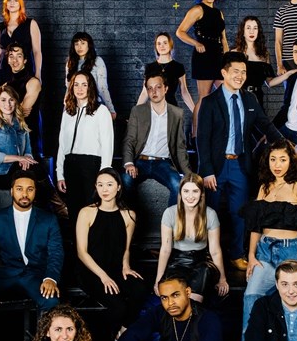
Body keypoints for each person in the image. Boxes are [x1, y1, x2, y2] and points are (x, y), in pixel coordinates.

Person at [196, 54, 284, 268]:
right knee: (211, 213)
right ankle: (209, 256)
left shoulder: (249, 100)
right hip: (215, 167)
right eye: (236, 71)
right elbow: (202, 139)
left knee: (240, 213)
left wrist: (285, 146)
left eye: (243, 72)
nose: (240, 76)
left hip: (240, 165)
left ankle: (236, 254)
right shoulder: (209, 102)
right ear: (224, 73)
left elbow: (266, 126)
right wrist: (206, 171)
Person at [240, 139, 297, 337]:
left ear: (290, 161)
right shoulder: (264, 187)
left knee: (290, 305)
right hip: (264, 251)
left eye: (282, 159)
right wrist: (251, 255)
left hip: (290, 250)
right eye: (273, 159)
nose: (277, 165)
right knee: (251, 299)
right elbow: (255, 225)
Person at [74, 169, 150, 341]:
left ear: (118, 187)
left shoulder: (129, 215)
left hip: (116, 268)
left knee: (140, 289)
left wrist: (126, 266)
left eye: (109, 184)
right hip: (91, 271)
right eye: (100, 185)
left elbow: (126, 248)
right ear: (96, 187)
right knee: (118, 307)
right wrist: (103, 276)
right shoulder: (87, 212)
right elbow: (81, 252)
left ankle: (122, 332)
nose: (105, 189)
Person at [0, 172, 64, 310]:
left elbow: (56, 253)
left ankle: (40, 332)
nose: (25, 194)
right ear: (11, 191)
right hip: (5, 274)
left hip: (35, 276)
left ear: (35, 191)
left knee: (51, 301)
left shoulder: (49, 219)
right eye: (19, 189)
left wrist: (50, 278)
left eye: (30, 189)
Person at [122, 73, 194, 206]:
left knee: (177, 185)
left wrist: (188, 173)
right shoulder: (138, 111)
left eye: (158, 87)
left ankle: (169, 223)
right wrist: (129, 163)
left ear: (166, 88)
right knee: (125, 181)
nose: (153, 91)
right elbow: (129, 140)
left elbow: (180, 146)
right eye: (149, 88)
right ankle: (130, 221)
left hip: (163, 163)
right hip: (140, 162)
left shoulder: (177, 113)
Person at [156, 174, 230, 303]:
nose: (190, 196)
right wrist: (158, 278)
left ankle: (193, 315)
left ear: (201, 193)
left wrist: (222, 278)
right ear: (180, 193)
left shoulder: (210, 214)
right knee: (174, 295)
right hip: (177, 261)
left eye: (195, 191)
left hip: (201, 261)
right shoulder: (169, 213)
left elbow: (215, 251)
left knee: (203, 272)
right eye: (186, 191)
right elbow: (165, 249)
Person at [56, 71, 114, 218]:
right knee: (74, 210)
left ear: (90, 87)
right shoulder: (67, 112)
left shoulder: (101, 111)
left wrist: (104, 174)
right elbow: (62, 145)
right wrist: (60, 174)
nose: (80, 88)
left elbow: (108, 143)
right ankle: (77, 241)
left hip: (92, 165)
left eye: (84, 84)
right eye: (76, 85)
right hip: (71, 165)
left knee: (92, 209)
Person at [0, 84, 39, 212]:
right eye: (3, 100)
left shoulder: (21, 122)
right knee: (35, 174)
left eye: (11, 99)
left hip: (16, 168)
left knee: (35, 168)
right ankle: (55, 202)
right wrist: (19, 158)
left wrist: (26, 159)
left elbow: (28, 150)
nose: (8, 104)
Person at [176, 0, 229, 107]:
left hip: (218, 56)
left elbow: (223, 38)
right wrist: (196, 43)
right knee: (204, 97)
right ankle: (197, 128)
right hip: (204, 57)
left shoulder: (218, 13)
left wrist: (227, 57)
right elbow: (180, 32)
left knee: (226, 93)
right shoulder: (197, 10)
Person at [0, 0, 43, 86]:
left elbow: (37, 51)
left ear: (20, 4)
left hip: (25, 71)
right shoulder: (0, 27)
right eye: (9, 0)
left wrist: (38, 74)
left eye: (15, 0)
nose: (12, 3)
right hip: (3, 71)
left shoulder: (31, 24)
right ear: (6, 4)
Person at [136, 32, 196, 114]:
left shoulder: (178, 67)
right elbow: (144, 93)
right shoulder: (150, 67)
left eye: (165, 43)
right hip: (154, 111)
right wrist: (135, 113)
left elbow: (184, 92)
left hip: (172, 110)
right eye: (159, 44)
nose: (162, 46)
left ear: (170, 45)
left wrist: (195, 111)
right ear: (156, 47)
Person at [3, 43, 44, 157]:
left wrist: (8, 111)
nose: (14, 60)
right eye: (11, 56)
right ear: (7, 60)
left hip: (29, 139)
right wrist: (15, 110)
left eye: (19, 56)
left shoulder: (33, 82)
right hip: (9, 140)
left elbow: (21, 114)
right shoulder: (6, 86)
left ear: (25, 60)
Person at [64, 32, 116, 120]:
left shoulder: (97, 61)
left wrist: (111, 109)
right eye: (76, 44)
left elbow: (102, 88)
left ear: (89, 45)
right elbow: (69, 88)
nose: (79, 47)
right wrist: (66, 105)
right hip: (73, 106)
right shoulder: (70, 62)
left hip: (93, 105)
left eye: (83, 43)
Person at [233, 15, 277, 104]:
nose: (252, 31)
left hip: (257, 98)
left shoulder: (264, 54)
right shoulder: (234, 53)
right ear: (243, 32)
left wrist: (288, 74)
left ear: (258, 31)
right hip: (240, 97)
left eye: (255, 28)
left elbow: (270, 82)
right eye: (248, 28)